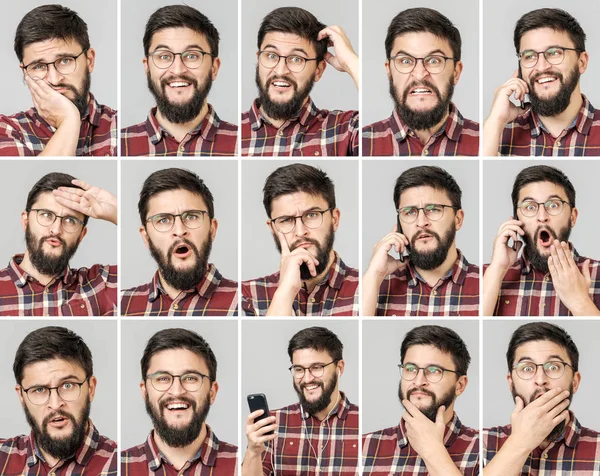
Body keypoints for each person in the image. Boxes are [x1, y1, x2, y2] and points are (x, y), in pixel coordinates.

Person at [242, 163, 358, 316]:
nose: (300, 231)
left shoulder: (368, 288)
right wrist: (285, 292)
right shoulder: (247, 296)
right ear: (273, 229)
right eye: (286, 220)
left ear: (334, 219)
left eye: (311, 215)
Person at [0, 4, 117, 156]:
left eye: (65, 61)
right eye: (39, 66)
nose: (54, 79)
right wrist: (69, 120)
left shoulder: (120, 129)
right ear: (25, 72)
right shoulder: (8, 130)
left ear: (89, 60)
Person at [483, 165, 600, 316]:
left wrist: (580, 302)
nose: (542, 216)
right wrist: (497, 269)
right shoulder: (488, 276)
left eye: (553, 205)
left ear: (573, 217)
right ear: (516, 220)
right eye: (530, 207)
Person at [483, 322, 599, 474]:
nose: (540, 379)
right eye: (527, 368)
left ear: (575, 381)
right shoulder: (483, 443)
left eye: (553, 367)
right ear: (511, 383)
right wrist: (519, 444)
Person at [241, 6, 359, 156]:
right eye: (271, 56)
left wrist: (351, 63)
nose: (280, 70)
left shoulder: (346, 130)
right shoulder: (232, 134)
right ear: (259, 59)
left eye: (296, 59)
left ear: (319, 70)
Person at [121, 5, 237, 156]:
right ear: (147, 67)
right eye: (164, 56)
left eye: (192, 56)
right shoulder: (119, 144)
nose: (177, 70)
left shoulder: (241, 144)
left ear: (214, 68)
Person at [363, 166, 479, 316]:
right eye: (410, 212)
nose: (421, 222)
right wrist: (374, 275)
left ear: (458, 219)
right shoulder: (376, 285)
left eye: (433, 209)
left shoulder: (488, 281)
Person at [363, 325, 479, 475]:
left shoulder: (483, 449)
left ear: (460, 385)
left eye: (434, 371)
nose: (418, 381)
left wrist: (434, 452)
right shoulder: (364, 447)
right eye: (410, 369)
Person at [243, 326, 359, 476]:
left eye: (317, 367)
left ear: (339, 368)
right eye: (299, 369)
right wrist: (253, 451)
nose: (307, 379)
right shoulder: (273, 422)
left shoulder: (361, 422)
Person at [0, 326, 117, 474]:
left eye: (68, 385)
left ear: (91, 388)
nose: (55, 405)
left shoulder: (121, 464)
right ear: (21, 396)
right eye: (39, 390)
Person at [121, 168, 238, 316]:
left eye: (191, 216)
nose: (179, 230)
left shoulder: (244, 302)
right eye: (163, 220)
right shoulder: (122, 305)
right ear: (146, 237)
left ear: (212, 229)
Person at [484, 8, 600, 156]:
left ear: (582, 62)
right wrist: (495, 122)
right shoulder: (496, 134)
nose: (541, 67)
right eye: (529, 56)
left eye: (554, 53)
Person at [363, 8, 479, 156]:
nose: (419, 75)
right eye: (405, 61)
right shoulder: (361, 142)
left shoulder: (491, 140)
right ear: (389, 71)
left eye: (434, 60)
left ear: (456, 72)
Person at [121, 328, 237, 474]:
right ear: (145, 392)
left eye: (190, 378)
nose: (176, 391)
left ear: (212, 392)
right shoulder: (118, 467)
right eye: (163, 378)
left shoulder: (244, 466)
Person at [0, 172, 117, 316]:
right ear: (26, 221)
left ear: (81, 235)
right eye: (46, 215)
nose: (56, 230)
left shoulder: (102, 283)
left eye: (70, 221)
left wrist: (116, 209)